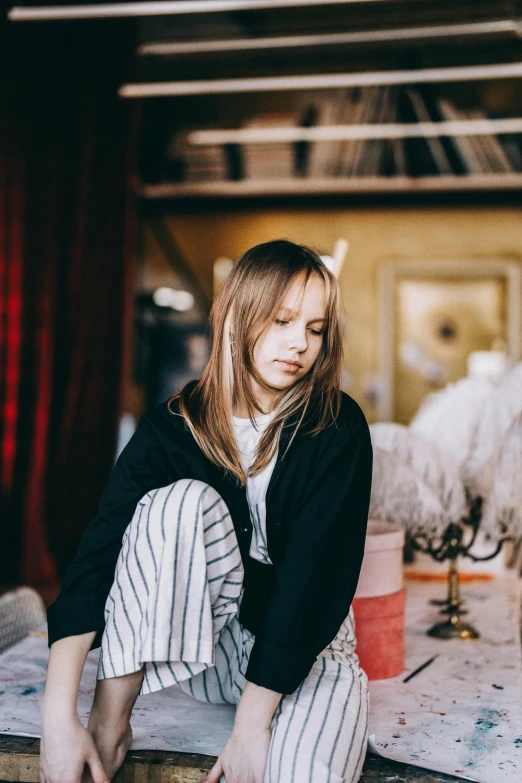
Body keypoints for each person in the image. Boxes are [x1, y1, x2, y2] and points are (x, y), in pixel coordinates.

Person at [40, 239, 373, 783]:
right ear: (238, 315)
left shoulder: (336, 427)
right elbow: (100, 554)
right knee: (176, 503)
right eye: (283, 320)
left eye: (315, 329)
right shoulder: (175, 424)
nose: (299, 345)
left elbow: (311, 580)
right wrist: (57, 718)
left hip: (310, 653)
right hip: (208, 650)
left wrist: (250, 727)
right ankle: (110, 721)